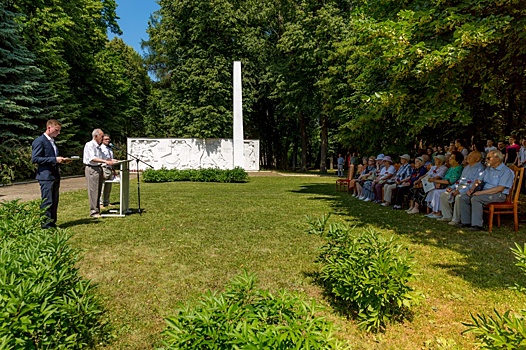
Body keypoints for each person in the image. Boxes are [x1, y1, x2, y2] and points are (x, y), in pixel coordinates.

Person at [458, 150, 514, 231]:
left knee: (476, 199)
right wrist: (472, 189)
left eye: (488, 158)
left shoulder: (506, 171)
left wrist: (480, 193)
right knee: (464, 198)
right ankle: (466, 222)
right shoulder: (488, 169)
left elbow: (500, 188)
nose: (486, 160)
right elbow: (478, 180)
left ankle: (477, 225)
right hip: (485, 193)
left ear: (497, 159)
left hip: (499, 195)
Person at [31, 119, 68, 229]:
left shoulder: (52, 141)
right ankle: (46, 225)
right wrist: (54, 160)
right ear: (49, 128)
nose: (58, 133)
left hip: (54, 175)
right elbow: (35, 158)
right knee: (47, 201)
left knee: (55, 200)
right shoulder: (40, 141)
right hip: (46, 176)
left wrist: (62, 160)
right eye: (56, 130)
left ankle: (52, 222)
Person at [438, 151, 485, 225]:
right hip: (460, 187)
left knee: (458, 197)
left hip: (470, 190)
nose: (467, 158)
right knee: (444, 194)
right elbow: (460, 180)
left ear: (477, 159)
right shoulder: (467, 167)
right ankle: (447, 216)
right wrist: (452, 187)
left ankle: (456, 219)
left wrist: (460, 191)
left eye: (470, 156)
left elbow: (475, 184)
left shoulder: (480, 169)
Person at [83, 129, 115, 218]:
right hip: (92, 169)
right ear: (96, 136)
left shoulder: (99, 146)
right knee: (93, 190)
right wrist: (105, 161)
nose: (103, 138)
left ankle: (97, 210)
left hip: (99, 168)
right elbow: (92, 158)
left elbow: (103, 157)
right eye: (101, 136)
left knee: (98, 190)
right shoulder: (90, 145)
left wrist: (112, 160)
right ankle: (94, 212)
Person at [100, 134, 114, 207]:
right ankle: (100, 203)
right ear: (102, 140)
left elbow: (110, 159)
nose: (108, 141)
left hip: (110, 168)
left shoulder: (109, 149)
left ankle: (107, 201)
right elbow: (101, 159)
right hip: (104, 168)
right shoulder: (100, 148)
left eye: (108, 139)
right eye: (106, 139)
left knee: (108, 187)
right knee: (102, 186)